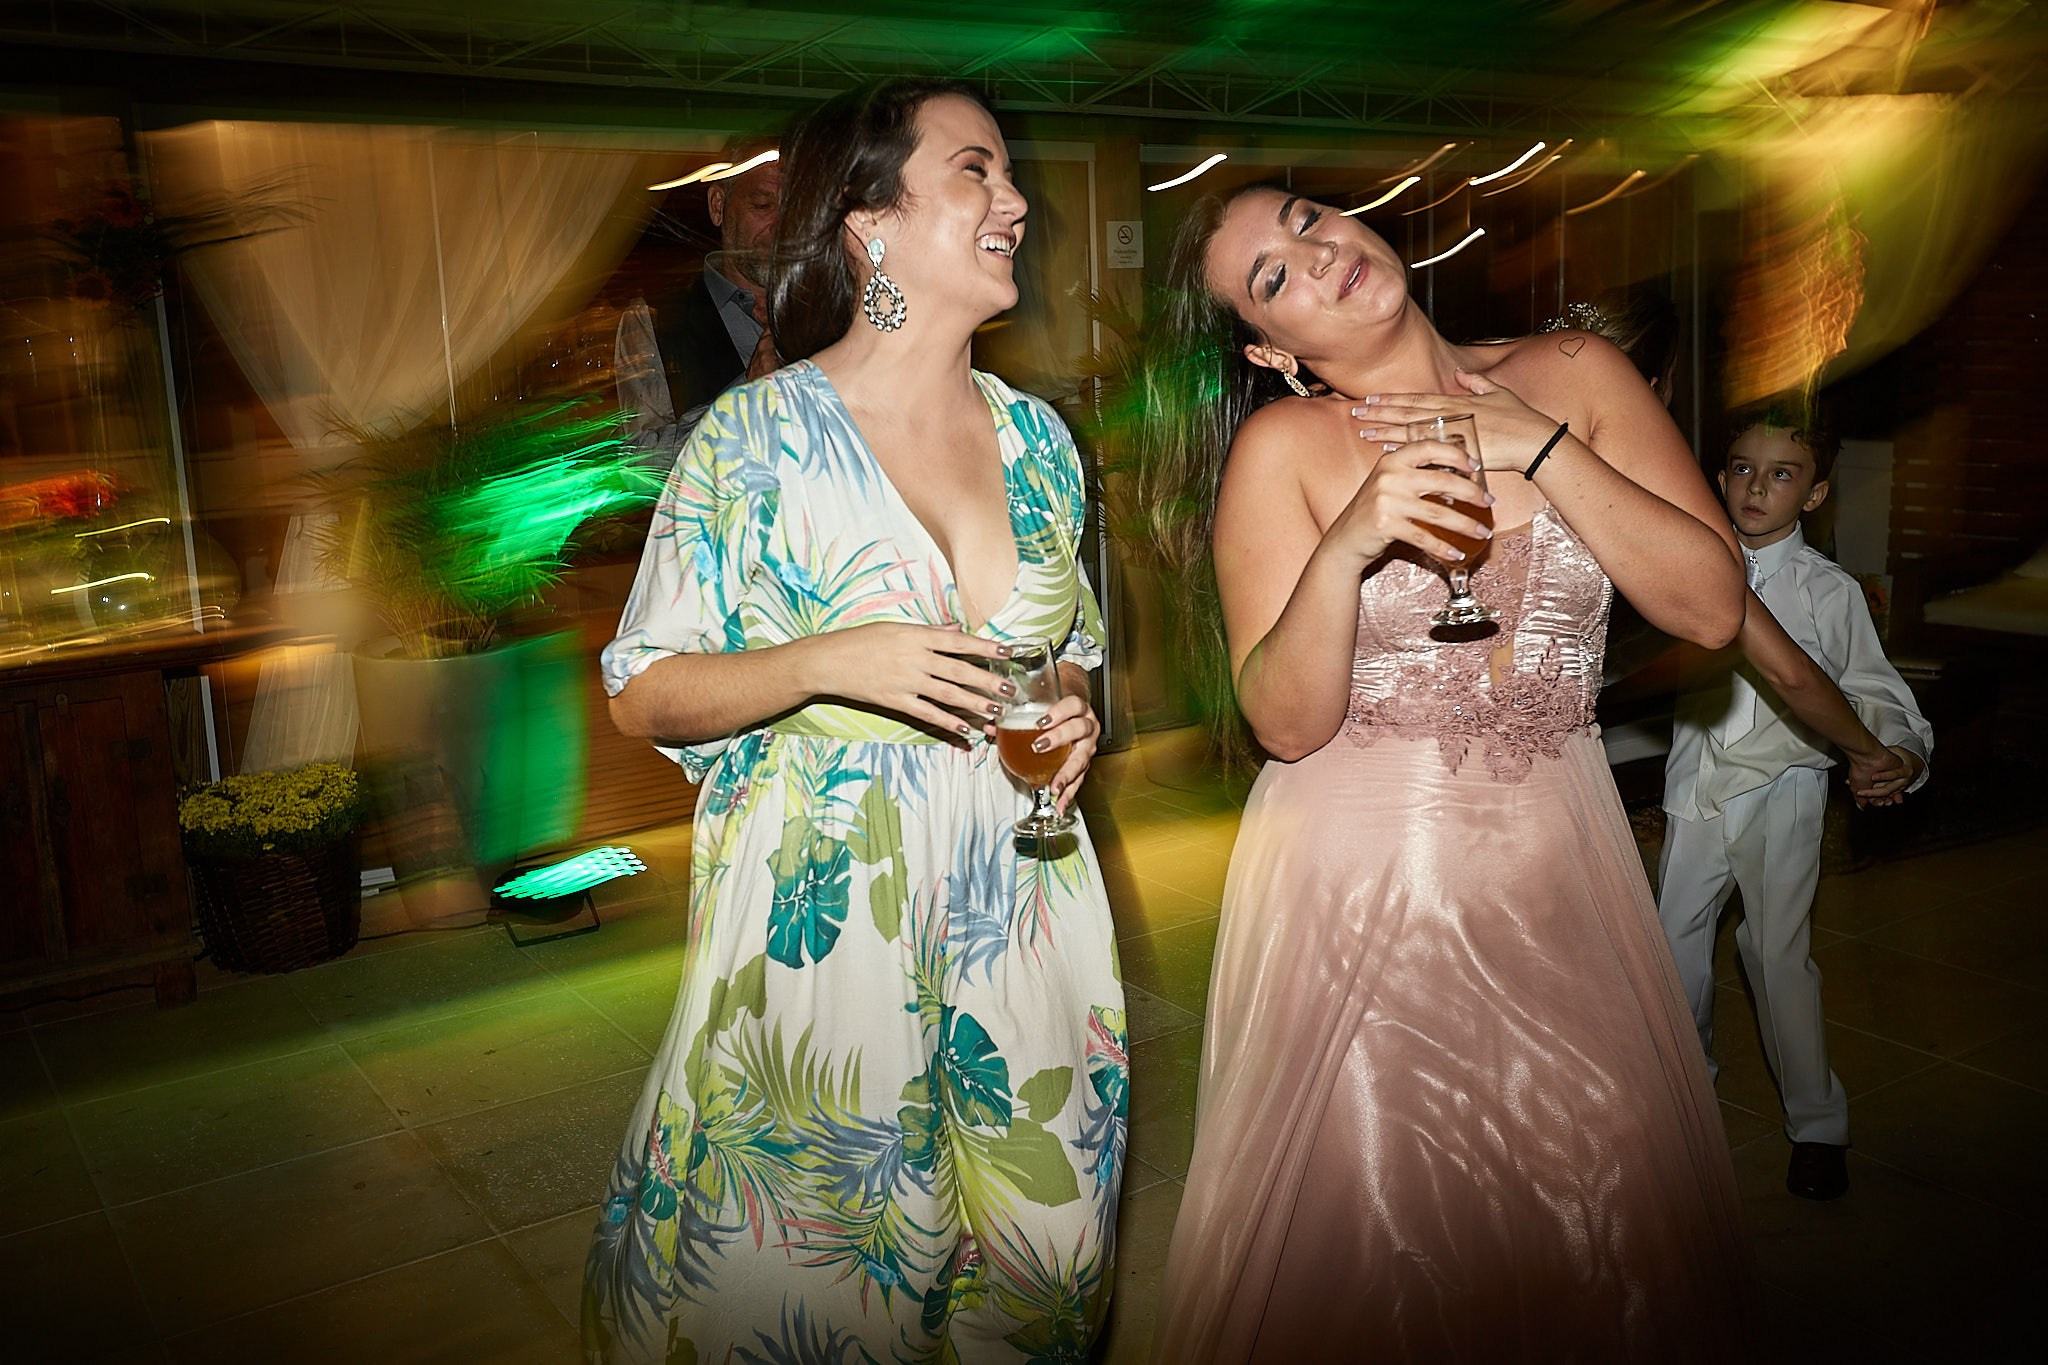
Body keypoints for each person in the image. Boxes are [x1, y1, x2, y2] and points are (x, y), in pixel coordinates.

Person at [1140, 183, 1759, 1362]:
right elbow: (1280, 722)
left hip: (1562, 877)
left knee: (1601, 1215)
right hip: (1363, 895)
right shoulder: (1285, 449)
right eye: (1272, 278)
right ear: (1274, 352)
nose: (1316, 258)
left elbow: (1712, 609)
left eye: (1309, 220)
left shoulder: (1573, 371)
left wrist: (1539, 445)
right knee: (1387, 1242)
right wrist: (1350, 544)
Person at [581, 80, 1125, 1362]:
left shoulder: (1040, 440)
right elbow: (643, 688)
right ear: (868, 222)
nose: (1015, 201)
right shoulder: (755, 438)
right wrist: (830, 662)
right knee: (822, 1269)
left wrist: (1075, 720)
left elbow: (1071, 658)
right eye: (975, 173)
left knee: (1043, 1261)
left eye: (1007, 175)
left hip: (1020, 890)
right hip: (827, 899)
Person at [1659, 410, 1931, 1203]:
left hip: (1784, 790)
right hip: (1694, 785)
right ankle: (1684, 1091)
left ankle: (1817, 1124)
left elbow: (1876, 689)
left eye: (1782, 474)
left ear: (1813, 495)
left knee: (1777, 956)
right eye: (1742, 468)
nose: (1756, 486)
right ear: (1718, 477)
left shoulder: (1829, 592)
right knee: (1674, 947)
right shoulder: (1684, 566)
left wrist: (1900, 754)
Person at [615, 136, 786, 454]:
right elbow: (642, 469)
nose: (782, 225)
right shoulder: (653, 319)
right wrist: (745, 396)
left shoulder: (829, 308)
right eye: (763, 205)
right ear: (718, 206)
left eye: (794, 207)